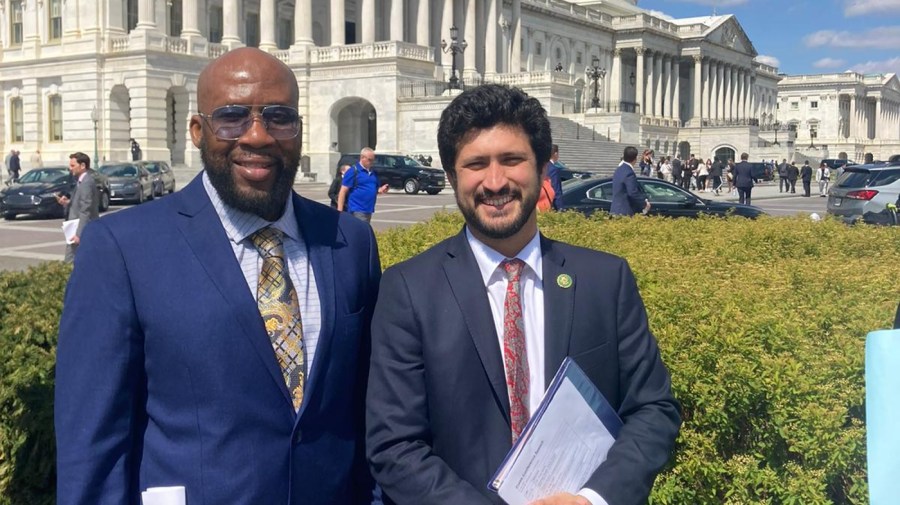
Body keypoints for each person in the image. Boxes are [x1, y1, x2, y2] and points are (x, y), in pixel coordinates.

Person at [55, 47, 381, 505]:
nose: (258, 136)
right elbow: (93, 441)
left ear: (299, 129)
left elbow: (366, 408)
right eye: (231, 117)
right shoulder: (123, 248)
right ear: (197, 130)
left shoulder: (350, 243)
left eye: (279, 117)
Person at [366, 83, 680, 505]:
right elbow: (394, 445)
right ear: (451, 176)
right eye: (475, 164)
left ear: (541, 167)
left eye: (512, 160)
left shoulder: (605, 279)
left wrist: (592, 499)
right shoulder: (408, 288)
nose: (495, 182)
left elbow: (653, 410)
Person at [56, 152, 99, 263]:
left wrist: (79, 235)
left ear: (83, 166)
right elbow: (80, 203)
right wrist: (68, 202)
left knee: (70, 261)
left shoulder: (86, 183)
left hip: (78, 230)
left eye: (73, 165)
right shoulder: (81, 181)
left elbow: (86, 209)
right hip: (76, 228)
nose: (70, 169)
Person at [336, 147, 389, 223]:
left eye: (373, 160)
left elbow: (374, 189)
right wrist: (339, 211)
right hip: (357, 209)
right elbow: (343, 191)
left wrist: (381, 190)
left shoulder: (373, 173)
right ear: (362, 158)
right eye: (369, 160)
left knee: (363, 232)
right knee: (361, 231)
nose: (372, 162)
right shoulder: (353, 171)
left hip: (368, 209)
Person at [611, 146, 651, 216]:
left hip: (615, 209)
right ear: (635, 158)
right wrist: (644, 204)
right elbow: (632, 192)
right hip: (624, 212)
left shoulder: (619, 169)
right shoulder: (629, 173)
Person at [547, 143, 564, 210]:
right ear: (556, 154)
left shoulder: (542, 166)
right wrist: (560, 208)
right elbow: (556, 190)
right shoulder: (553, 169)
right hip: (550, 204)